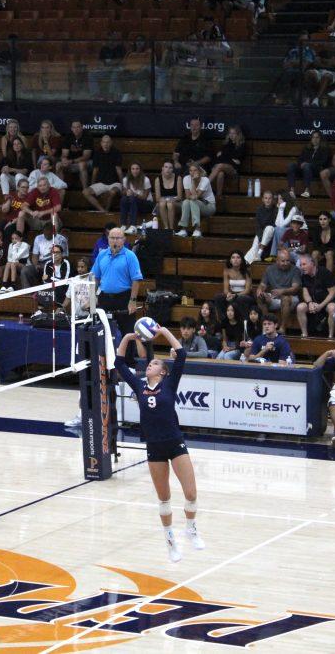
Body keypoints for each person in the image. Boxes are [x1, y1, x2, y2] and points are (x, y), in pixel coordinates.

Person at [114, 327, 203, 562]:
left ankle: (191, 528)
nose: (149, 365)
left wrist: (163, 332)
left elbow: (181, 354)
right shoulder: (139, 385)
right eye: (150, 363)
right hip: (154, 446)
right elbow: (119, 363)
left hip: (174, 441)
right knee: (164, 498)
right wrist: (127, 337)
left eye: (154, 364)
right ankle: (170, 540)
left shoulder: (169, 384)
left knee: (191, 493)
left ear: (163, 372)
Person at [91, 227, 143, 357]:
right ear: (108, 239)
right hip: (105, 298)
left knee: (128, 332)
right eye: (112, 238)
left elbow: (136, 280)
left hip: (124, 298)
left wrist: (132, 301)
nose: (115, 241)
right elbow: (94, 277)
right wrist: (92, 298)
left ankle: (130, 363)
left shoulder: (130, 256)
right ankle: (104, 363)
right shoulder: (102, 255)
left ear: (124, 240)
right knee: (103, 331)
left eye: (118, 238)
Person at [255, 249, 301, 333]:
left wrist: (283, 291)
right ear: (277, 261)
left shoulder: (295, 270)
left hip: (291, 297)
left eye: (288, 261)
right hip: (275, 296)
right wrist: (260, 290)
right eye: (283, 261)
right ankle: (267, 325)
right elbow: (263, 285)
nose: (286, 263)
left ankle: (282, 328)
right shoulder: (270, 269)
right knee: (260, 297)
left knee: (285, 298)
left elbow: (295, 288)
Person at [296, 252, 335, 339]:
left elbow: (332, 293)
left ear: (312, 263)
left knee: (332, 307)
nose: (302, 267)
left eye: (304, 264)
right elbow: (305, 291)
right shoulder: (304, 275)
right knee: (300, 307)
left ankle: (330, 336)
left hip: (326, 302)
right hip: (313, 302)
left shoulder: (324, 272)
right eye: (301, 265)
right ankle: (304, 334)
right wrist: (310, 303)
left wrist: (321, 306)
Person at [84, 135, 123, 212]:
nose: (106, 144)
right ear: (101, 143)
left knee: (112, 192)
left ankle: (106, 211)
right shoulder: (97, 153)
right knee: (85, 192)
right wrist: (92, 183)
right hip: (101, 183)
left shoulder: (117, 153)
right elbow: (95, 169)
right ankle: (102, 211)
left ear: (111, 143)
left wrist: (123, 185)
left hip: (114, 183)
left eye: (108, 142)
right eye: (104, 142)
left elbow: (118, 170)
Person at [287, 131, 331, 200]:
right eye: (313, 137)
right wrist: (301, 163)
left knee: (307, 166)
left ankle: (307, 190)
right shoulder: (307, 148)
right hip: (305, 169)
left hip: (316, 170)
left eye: (317, 137)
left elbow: (323, 162)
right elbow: (300, 159)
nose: (315, 139)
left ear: (320, 139)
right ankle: (291, 190)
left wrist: (308, 163)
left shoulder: (324, 149)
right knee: (291, 165)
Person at [176, 162, 216, 238]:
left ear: (199, 171)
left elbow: (196, 196)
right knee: (185, 202)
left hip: (209, 205)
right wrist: (192, 195)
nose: (192, 173)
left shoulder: (205, 180)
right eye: (191, 170)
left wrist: (193, 181)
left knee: (193, 201)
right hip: (194, 203)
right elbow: (188, 196)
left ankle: (197, 229)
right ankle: (183, 229)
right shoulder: (186, 178)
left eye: (195, 170)